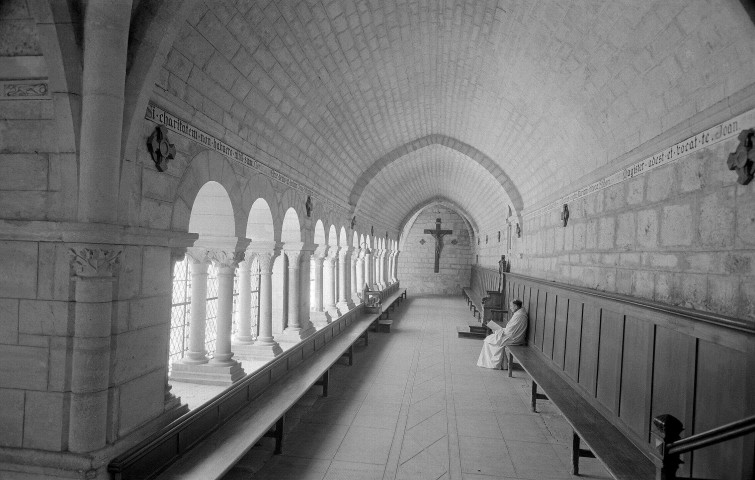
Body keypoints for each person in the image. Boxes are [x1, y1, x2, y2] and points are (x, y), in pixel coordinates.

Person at [477, 299, 528, 369]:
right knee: (490, 339)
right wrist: (500, 330)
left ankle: (494, 364)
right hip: (512, 335)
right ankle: (503, 364)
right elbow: (511, 328)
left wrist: (499, 331)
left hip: (514, 338)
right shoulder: (519, 313)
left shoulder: (519, 315)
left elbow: (510, 331)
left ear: (516, 306)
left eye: (511, 306)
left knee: (489, 341)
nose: (510, 308)